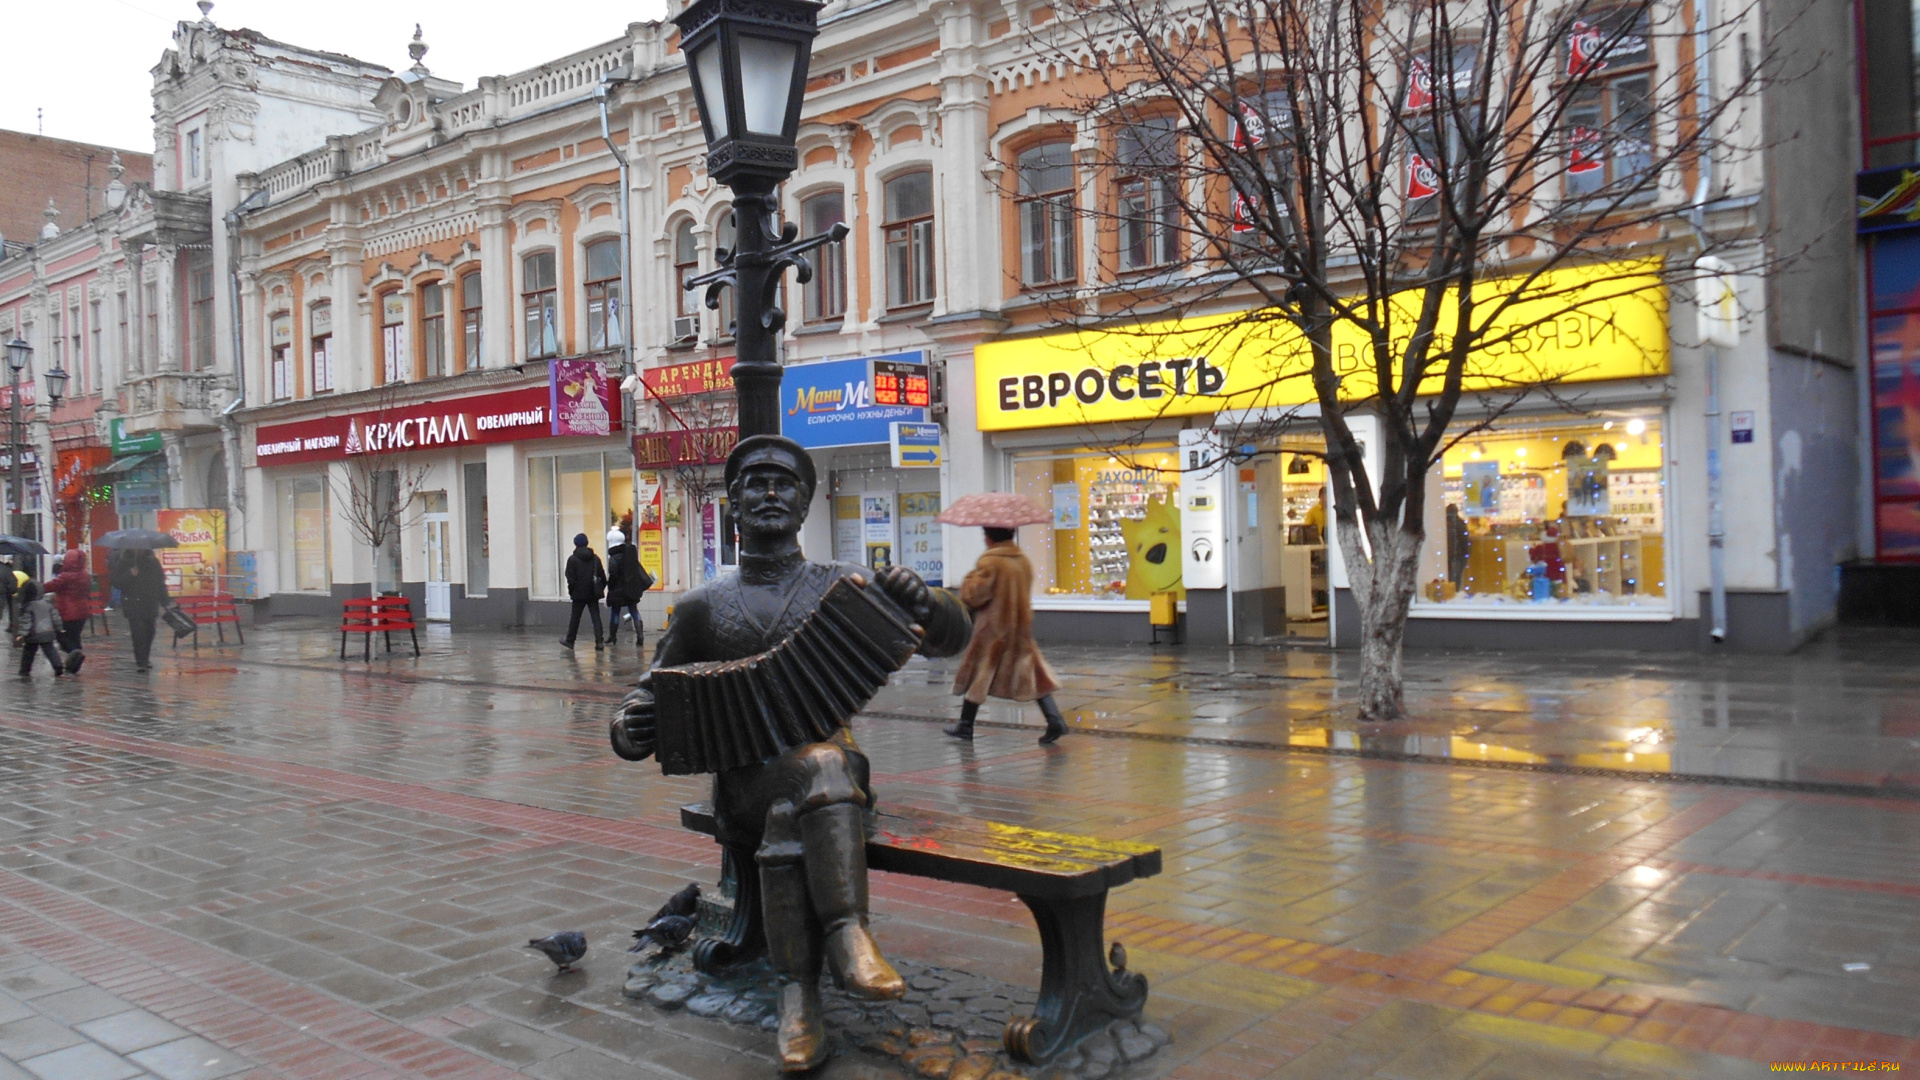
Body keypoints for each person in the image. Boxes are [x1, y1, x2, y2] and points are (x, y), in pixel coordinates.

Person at [610, 435, 970, 1071]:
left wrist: (930, 602)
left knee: (815, 775)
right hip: (748, 786)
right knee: (802, 785)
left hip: (839, 783)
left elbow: (950, 638)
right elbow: (649, 692)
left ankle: (799, 1000)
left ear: (804, 504)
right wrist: (629, 726)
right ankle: (846, 936)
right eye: (756, 483)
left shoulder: (841, 584)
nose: (771, 493)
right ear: (735, 501)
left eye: (785, 484)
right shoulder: (702, 607)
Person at [946, 526, 1068, 744]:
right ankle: (1055, 720)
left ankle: (965, 726)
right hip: (1019, 629)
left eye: (985, 535)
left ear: (990, 537)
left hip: (994, 631)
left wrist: (970, 578)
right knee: (1033, 676)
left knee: (980, 674)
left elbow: (974, 595)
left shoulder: (991, 562)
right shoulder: (1023, 561)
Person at [111, 548, 169, 671]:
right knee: (138, 633)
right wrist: (130, 574)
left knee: (149, 632)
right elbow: (116, 582)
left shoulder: (153, 561)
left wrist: (165, 601)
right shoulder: (125, 562)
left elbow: (160, 582)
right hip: (133, 603)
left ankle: (145, 658)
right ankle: (141, 661)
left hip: (150, 603)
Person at [44, 549, 91, 673]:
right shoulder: (85, 575)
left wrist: (37, 588)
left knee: (61, 635)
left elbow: (51, 586)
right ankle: (74, 664)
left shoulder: (66, 576)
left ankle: (74, 653)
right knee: (75, 636)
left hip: (67, 611)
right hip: (82, 611)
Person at [604, 527, 653, 646]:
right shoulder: (630, 554)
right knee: (634, 610)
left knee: (615, 612)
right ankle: (640, 635)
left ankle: (612, 636)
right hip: (631, 588)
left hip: (617, 589)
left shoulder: (614, 557)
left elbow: (613, 574)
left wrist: (609, 587)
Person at [561, 533, 607, 650]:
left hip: (578, 593)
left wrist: (572, 591)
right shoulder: (595, 558)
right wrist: (599, 588)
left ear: (575, 544)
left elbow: (570, 578)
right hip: (592, 593)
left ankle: (570, 641)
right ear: (587, 543)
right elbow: (602, 576)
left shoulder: (572, 559)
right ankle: (599, 642)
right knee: (596, 617)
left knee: (575, 618)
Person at [14, 571, 63, 679]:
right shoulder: (47, 604)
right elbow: (55, 616)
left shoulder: (28, 606)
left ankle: (24, 670)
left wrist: (21, 634)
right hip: (47, 631)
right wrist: (59, 627)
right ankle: (58, 666)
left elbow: (26, 622)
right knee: (50, 650)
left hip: (33, 634)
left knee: (29, 653)